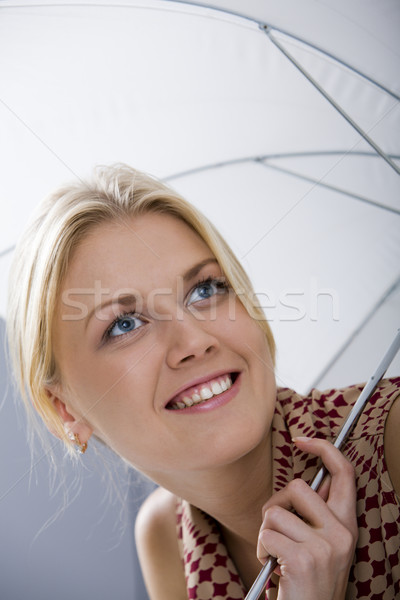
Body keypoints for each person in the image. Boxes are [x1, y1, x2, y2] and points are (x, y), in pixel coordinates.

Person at [6, 164, 399, 600]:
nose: (194, 341)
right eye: (125, 324)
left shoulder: (391, 441)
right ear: (67, 411)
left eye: (205, 290)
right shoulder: (165, 540)